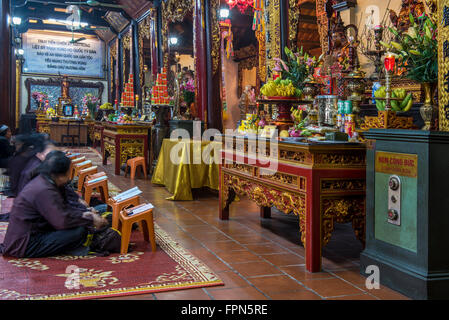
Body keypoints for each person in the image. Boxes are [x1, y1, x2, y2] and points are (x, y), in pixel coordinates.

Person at [0, 151, 108, 258]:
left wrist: (86, 213)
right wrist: (90, 219)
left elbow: (66, 207)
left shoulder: (48, 181)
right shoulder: (44, 189)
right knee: (79, 231)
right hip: (25, 244)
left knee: (101, 209)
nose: (69, 177)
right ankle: (73, 247)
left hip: (37, 231)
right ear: (61, 175)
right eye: (68, 173)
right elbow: (62, 220)